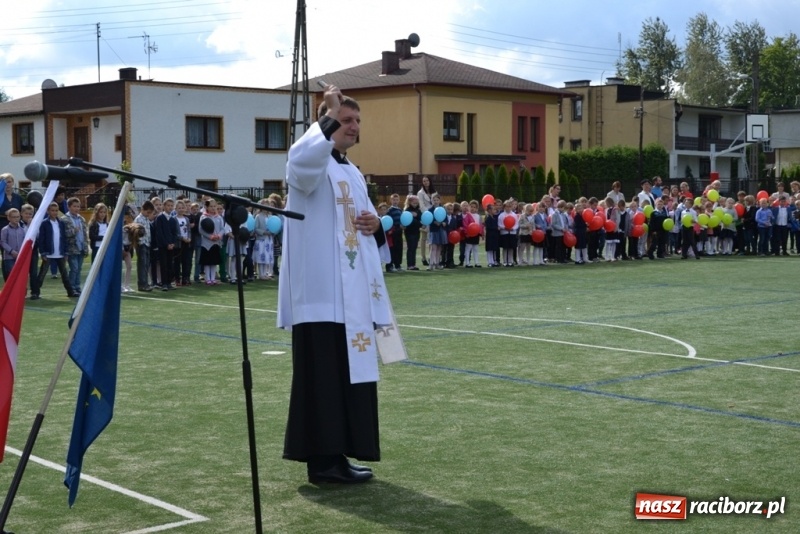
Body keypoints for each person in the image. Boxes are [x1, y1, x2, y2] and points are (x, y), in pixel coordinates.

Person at [278, 84, 402, 485]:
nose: (354, 127)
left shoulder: (350, 170)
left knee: (349, 379)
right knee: (324, 380)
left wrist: (375, 224)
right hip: (322, 294)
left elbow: (362, 222)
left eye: (357, 121)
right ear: (325, 122)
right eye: (346, 120)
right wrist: (327, 112)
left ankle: (342, 453)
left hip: (352, 293)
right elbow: (302, 160)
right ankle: (322, 461)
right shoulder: (307, 160)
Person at [35, 202, 77, 297]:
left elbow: (64, 238)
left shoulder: (61, 223)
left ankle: (70, 292)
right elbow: (41, 239)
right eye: (52, 210)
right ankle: (36, 292)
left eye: (56, 210)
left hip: (60, 253)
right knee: (42, 274)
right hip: (49, 253)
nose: (54, 212)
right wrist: (43, 253)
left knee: (64, 274)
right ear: (48, 211)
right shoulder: (44, 223)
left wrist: (65, 252)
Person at [64, 197, 88, 295]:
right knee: (74, 268)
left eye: (78, 206)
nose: (77, 208)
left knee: (79, 269)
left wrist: (86, 246)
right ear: (69, 207)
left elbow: (85, 234)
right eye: (74, 206)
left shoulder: (81, 218)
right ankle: (72, 288)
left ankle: (77, 287)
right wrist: (73, 231)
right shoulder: (65, 219)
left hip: (81, 247)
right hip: (72, 248)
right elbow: (64, 234)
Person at [134, 200, 155, 292]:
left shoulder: (146, 219)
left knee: (146, 264)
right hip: (141, 244)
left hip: (147, 243)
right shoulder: (139, 219)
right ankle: (142, 284)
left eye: (150, 212)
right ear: (143, 209)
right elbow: (136, 233)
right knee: (142, 264)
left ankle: (145, 283)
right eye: (148, 212)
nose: (149, 214)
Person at [0, 208, 25, 280]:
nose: (16, 219)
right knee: (12, 276)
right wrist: (12, 251)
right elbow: (3, 242)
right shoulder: (5, 229)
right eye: (14, 217)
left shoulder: (22, 230)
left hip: (20, 256)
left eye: (18, 217)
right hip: (9, 257)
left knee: (20, 276)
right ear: (9, 218)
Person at [417, 176, 435, 266]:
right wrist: (428, 214)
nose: (426, 182)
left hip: (434, 216)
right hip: (425, 216)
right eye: (424, 181)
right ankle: (423, 257)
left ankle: (432, 257)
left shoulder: (434, 192)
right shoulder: (420, 193)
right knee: (424, 238)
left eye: (427, 180)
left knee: (432, 238)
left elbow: (437, 202)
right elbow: (421, 205)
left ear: (430, 181)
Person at [402, 194, 422, 270]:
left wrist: (417, 217)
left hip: (416, 231)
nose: (415, 204)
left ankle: (413, 264)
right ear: (410, 202)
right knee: (410, 247)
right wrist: (415, 218)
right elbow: (410, 221)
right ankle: (409, 264)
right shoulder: (407, 210)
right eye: (414, 202)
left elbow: (421, 220)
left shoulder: (418, 210)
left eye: (416, 202)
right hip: (409, 231)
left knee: (414, 247)